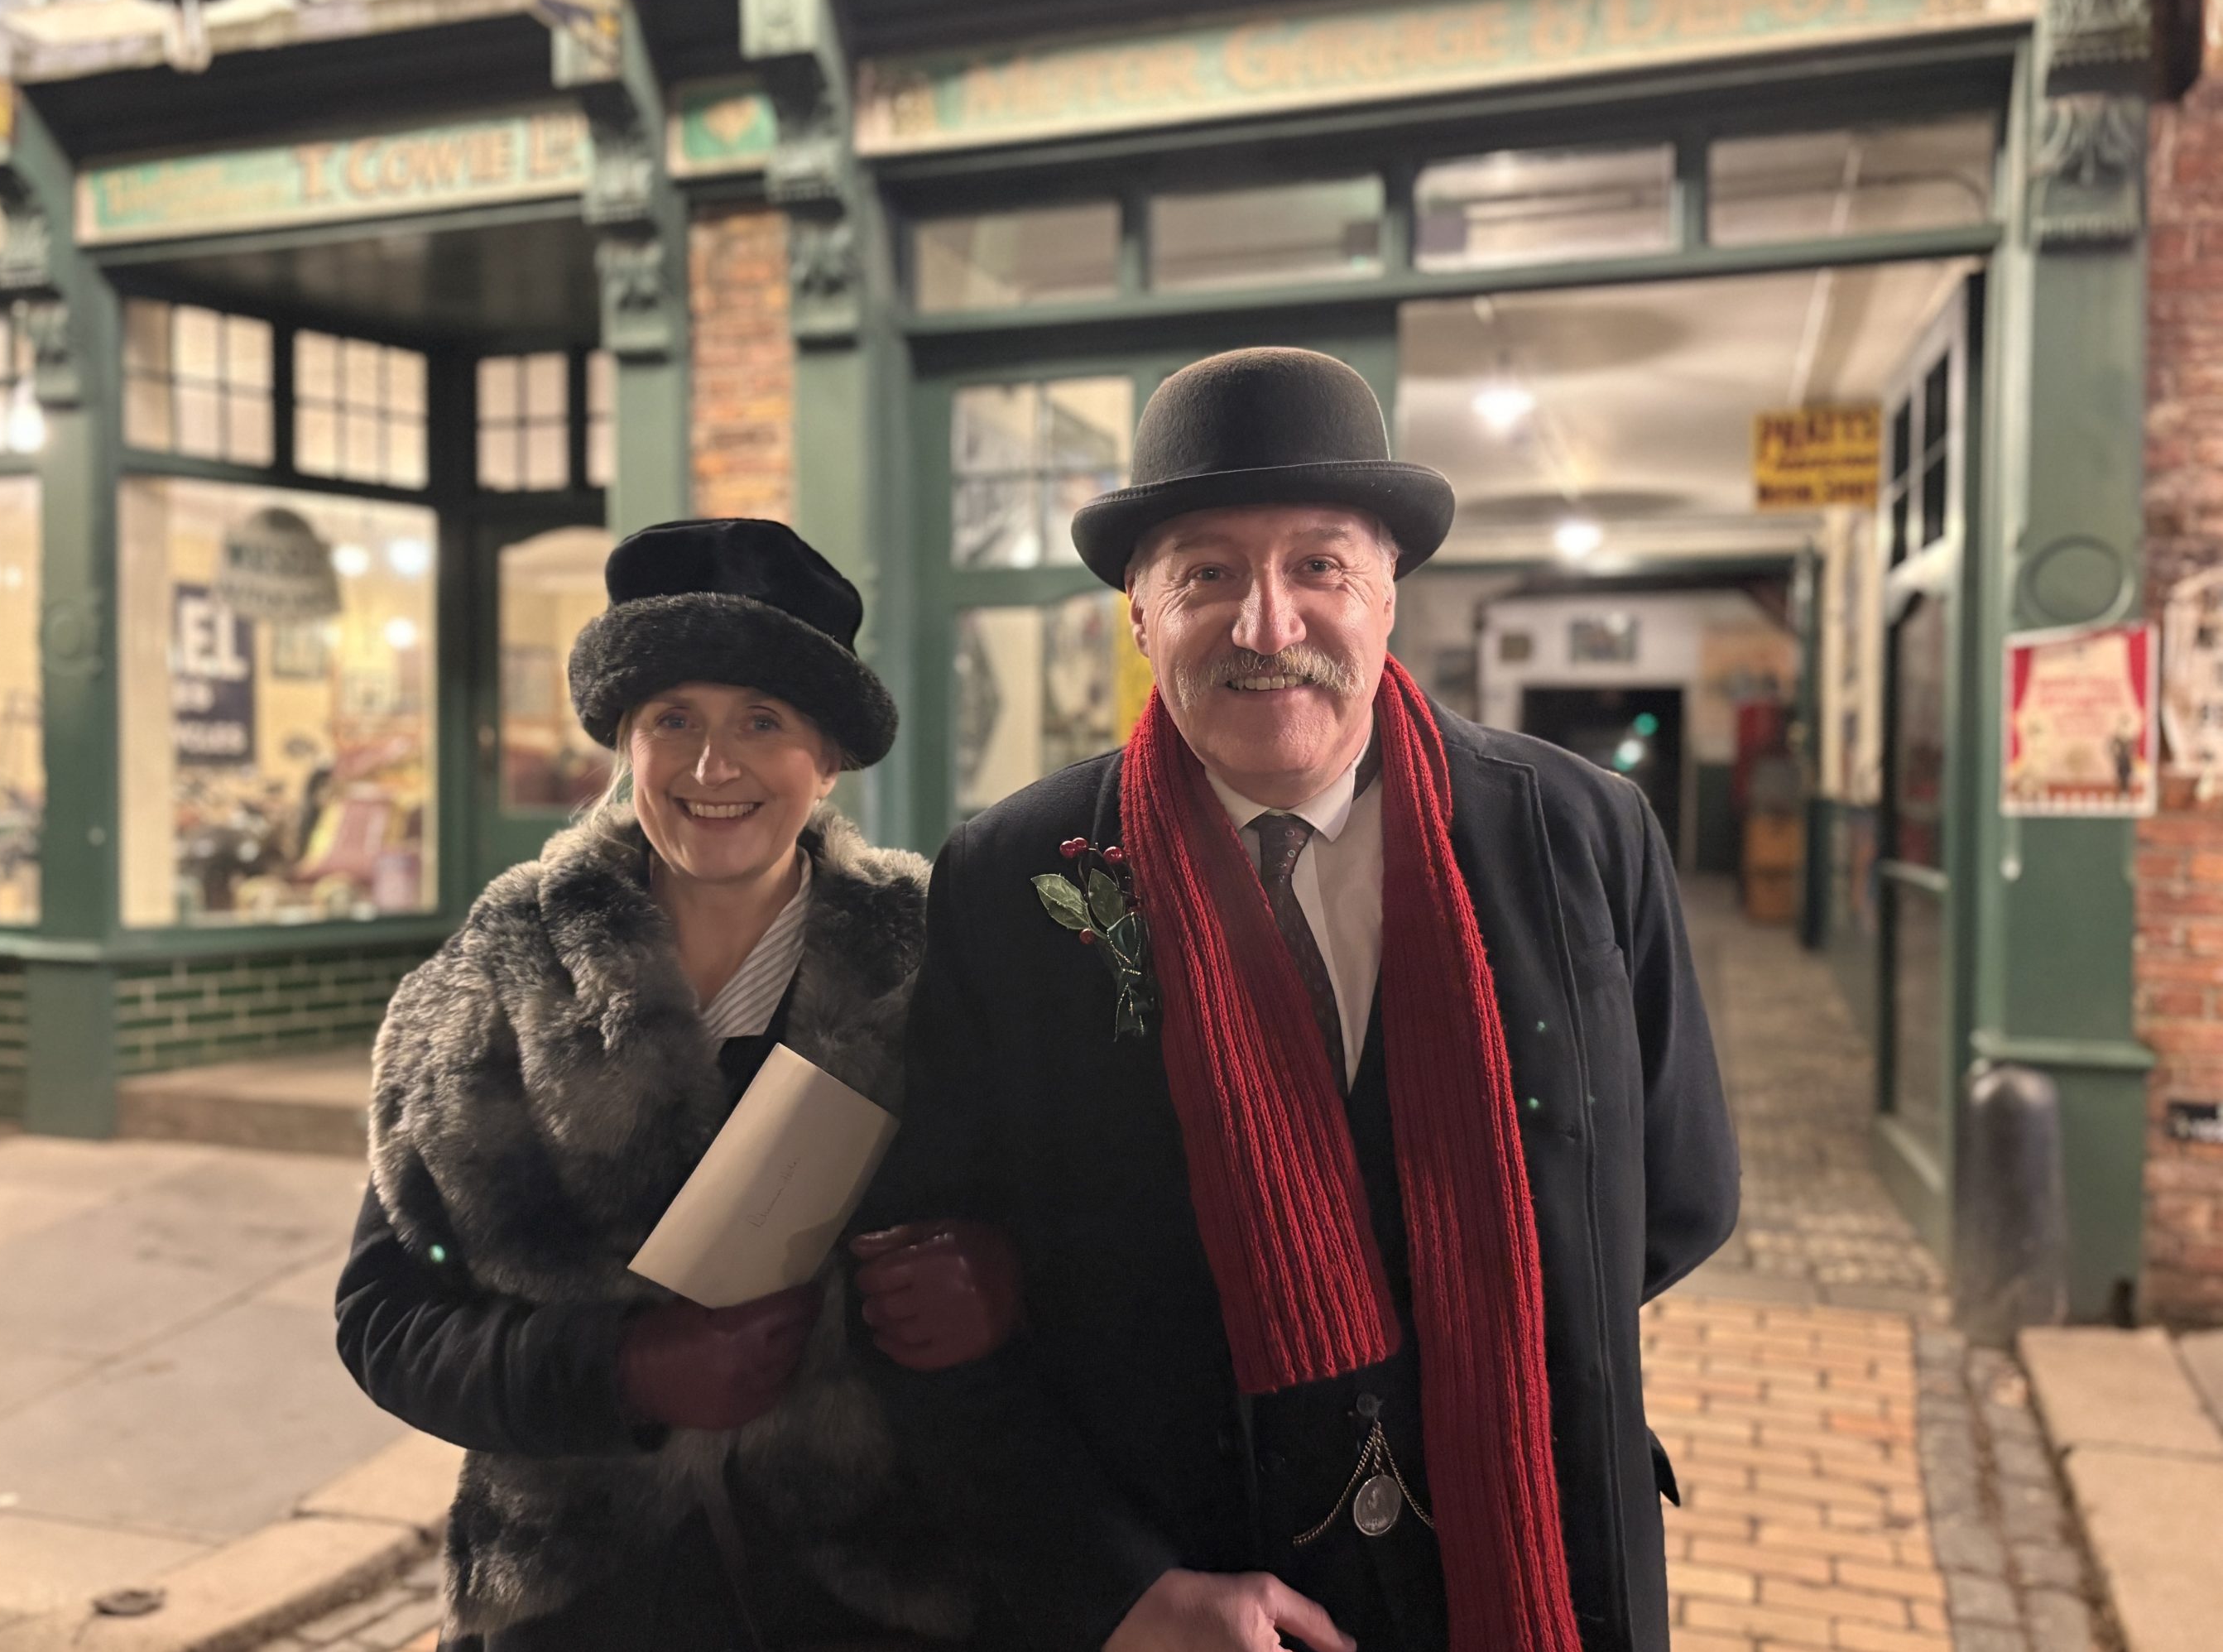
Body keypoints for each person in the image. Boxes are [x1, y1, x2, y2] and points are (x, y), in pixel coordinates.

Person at [861, 348, 1740, 1652]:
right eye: (1206, 572)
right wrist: (1111, 1586)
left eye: (1317, 566)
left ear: (1388, 597)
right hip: (1188, 1580)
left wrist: (1463, 1322)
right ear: (1140, 617)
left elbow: (1672, 1198)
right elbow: (924, 1280)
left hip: (1531, 1548)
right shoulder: (1013, 875)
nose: (1266, 625)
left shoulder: (1578, 835)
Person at [334, 518, 1011, 1651]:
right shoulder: (495, 982)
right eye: (672, 722)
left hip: (872, 1593)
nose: (713, 766)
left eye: (761, 720)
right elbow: (387, 1318)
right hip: (572, 1602)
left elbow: (1071, 1232)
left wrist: (1004, 1284)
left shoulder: (937, 973)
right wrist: (620, 1369)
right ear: (624, 744)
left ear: (827, 754)